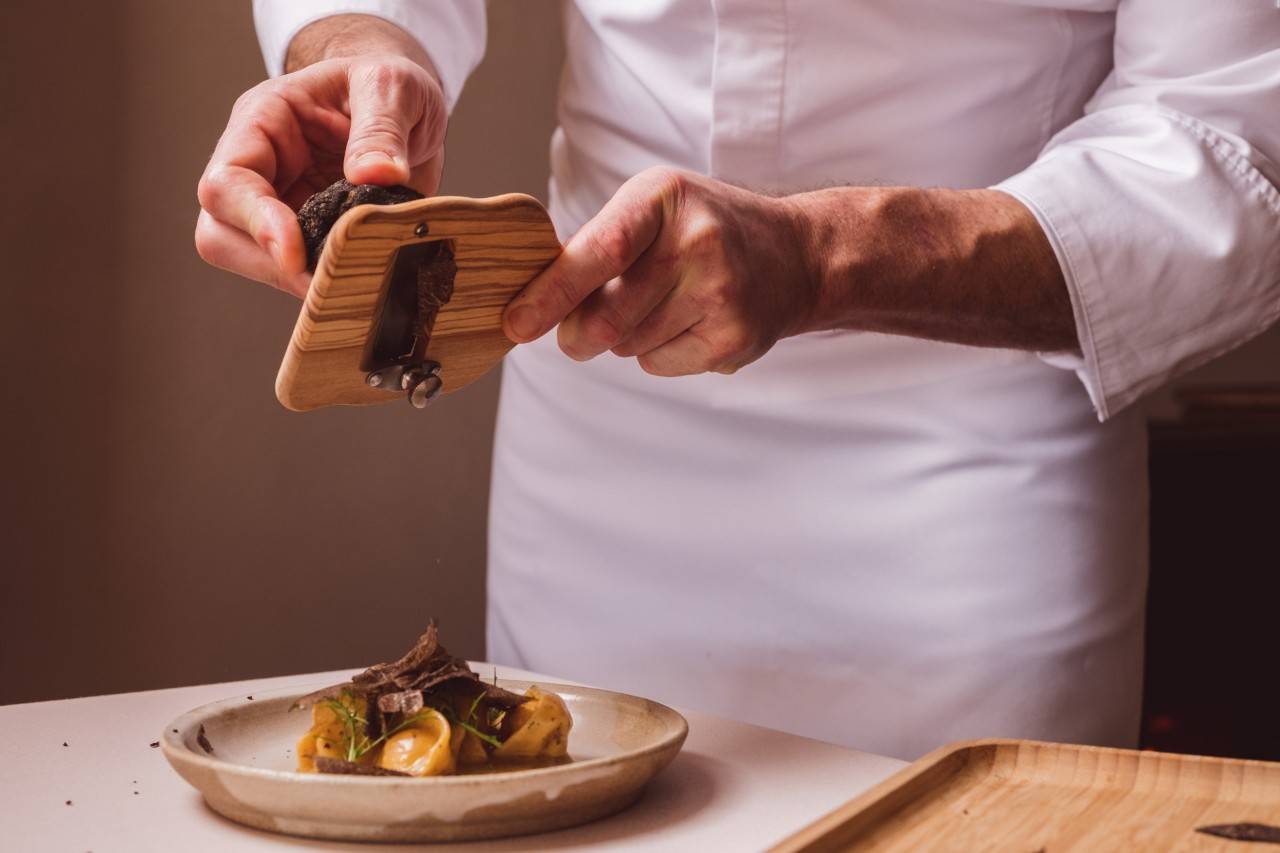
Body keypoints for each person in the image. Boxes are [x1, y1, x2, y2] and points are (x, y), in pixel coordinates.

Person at [197, 2, 1280, 760]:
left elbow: (1224, 138)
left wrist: (825, 254)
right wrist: (366, 43)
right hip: (602, 426)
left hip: (972, 465)